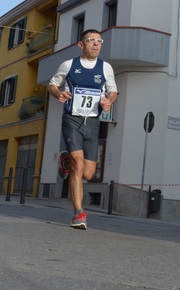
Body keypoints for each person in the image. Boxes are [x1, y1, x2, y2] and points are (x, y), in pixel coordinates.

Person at [48, 29, 118, 230]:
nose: (96, 44)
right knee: (78, 163)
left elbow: (113, 91)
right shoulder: (69, 65)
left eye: (99, 41)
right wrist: (58, 94)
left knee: (88, 174)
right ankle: (79, 213)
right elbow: (53, 84)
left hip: (93, 123)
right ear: (81, 44)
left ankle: (65, 162)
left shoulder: (106, 68)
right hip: (72, 119)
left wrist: (108, 101)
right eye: (91, 41)